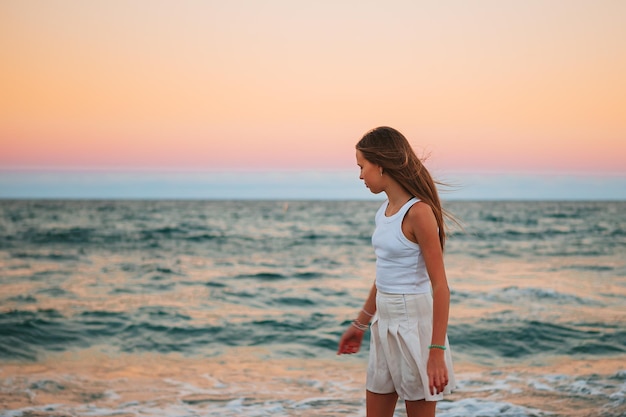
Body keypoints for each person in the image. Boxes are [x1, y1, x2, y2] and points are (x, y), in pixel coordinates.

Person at [337, 126, 455, 417]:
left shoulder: (419, 212)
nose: (360, 175)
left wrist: (436, 352)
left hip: (415, 325)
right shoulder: (385, 210)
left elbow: (440, 286)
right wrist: (360, 324)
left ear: (380, 164)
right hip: (384, 323)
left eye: (362, 166)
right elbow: (384, 274)